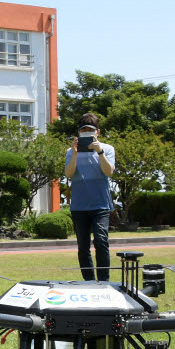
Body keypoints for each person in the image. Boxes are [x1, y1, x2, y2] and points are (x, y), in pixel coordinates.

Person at [64, 113, 116, 281]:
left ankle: (103, 281)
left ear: (97, 132)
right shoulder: (71, 152)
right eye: (83, 131)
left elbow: (109, 172)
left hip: (100, 204)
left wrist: (99, 151)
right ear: (78, 134)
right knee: (83, 247)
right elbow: (69, 174)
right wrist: (75, 153)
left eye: (90, 132)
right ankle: (89, 282)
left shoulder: (107, 149)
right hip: (79, 205)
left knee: (101, 241)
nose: (86, 134)